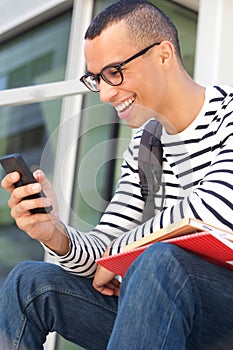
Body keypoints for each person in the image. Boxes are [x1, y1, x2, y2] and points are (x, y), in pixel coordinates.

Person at [1, 0, 233, 349]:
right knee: (29, 281)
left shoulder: (227, 115)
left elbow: (213, 212)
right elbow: (103, 259)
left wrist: (123, 251)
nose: (106, 93)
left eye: (115, 72)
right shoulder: (145, 145)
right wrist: (54, 233)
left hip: (222, 310)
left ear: (164, 55)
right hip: (165, 307)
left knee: (158, 261)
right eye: (97, 78)